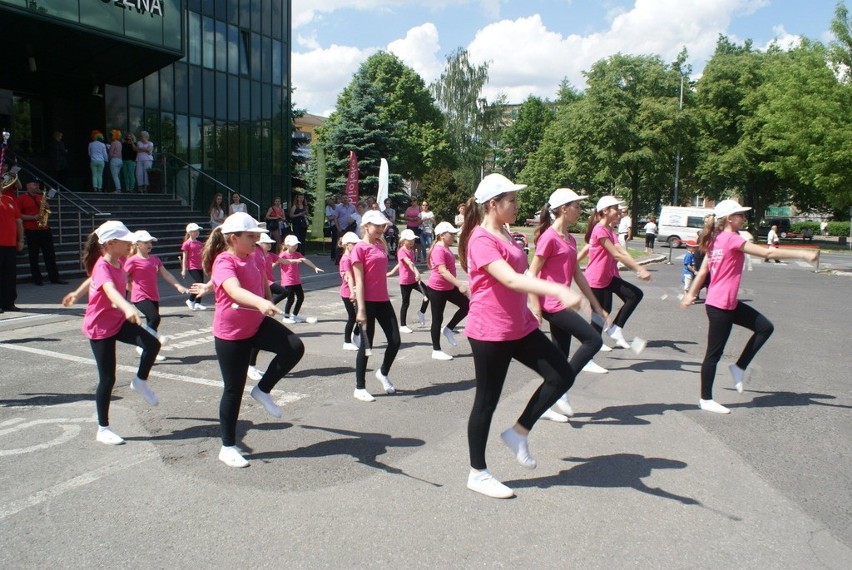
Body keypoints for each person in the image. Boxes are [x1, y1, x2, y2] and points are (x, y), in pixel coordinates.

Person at [457, 173, 584, 499]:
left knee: (561, 376)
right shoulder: (481, 239)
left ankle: (519, 432)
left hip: (520, 324)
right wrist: (555, 289)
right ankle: (478, 473)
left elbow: (523, 276)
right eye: (511, 200)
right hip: (491, 331)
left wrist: (533, 307)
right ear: (492, 204)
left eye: (515, 199)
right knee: (486, 401)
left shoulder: (506, 232)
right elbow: (510, 280)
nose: (517, 205)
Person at [681, 200, 818, 414]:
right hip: (720, 306)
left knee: (765, 328)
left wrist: (690, 295)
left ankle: (739, 367)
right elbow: (768, 254)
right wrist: (803, 254)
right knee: (713, 354)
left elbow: (703, 271)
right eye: (740, 215)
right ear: (729, 218)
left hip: (727, 303)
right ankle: (705, 399)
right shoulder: (731, 239)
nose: (743, 218)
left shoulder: (716, 240)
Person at [200, 212, 305, 467]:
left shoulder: (254, 254)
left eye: (258, 236)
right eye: (251, 236)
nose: (257, 240)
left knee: (294, 347)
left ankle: (263, 389)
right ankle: (227, 446)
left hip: (255, 323)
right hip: (231, 334)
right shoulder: (224, 261)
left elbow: (262, 281)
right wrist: (259, 302)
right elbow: (234, 289)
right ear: (233, 238)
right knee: (233, 390)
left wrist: (267, 299)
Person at [528, 189, 610, 422]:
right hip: (551, 304)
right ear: (564, 209)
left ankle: (547, 402)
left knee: (560, 356)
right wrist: (536, 308)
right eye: (576, 206)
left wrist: (597, 306)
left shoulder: (570, 239)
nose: (580, 210)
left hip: (562, 303)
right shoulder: (549, 238)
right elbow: (532, 273)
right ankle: (563, 385)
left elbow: (578, 275)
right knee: (593, 340)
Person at [81, 221, 162, 445]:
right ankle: (103, 428)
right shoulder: (102, 266)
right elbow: (109, 290)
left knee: (153, 344)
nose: (131, 243)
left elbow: (95, 282)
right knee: (108, 378)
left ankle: (140, 381)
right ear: (110, 243)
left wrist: (76, 292)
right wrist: (127, 307)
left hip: (117, 321)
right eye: (127, 241)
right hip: (100, 326)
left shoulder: (121, 260)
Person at [584, 196, 650, 349]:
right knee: (599, 313)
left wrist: (636, 267)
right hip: (596, 278)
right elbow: (616, 254)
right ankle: (594, 344)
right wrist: (639, 269)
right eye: (615, 208)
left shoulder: (608, 229)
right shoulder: (599, 229)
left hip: (607, 276)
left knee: (632, 296)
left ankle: (613, 330)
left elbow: (621, 251)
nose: (619, 212)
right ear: (605, 211)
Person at [351, 209, 401, 402]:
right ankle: (359, 387)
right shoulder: (359, 248)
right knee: (366, 345)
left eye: (383, 225)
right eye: (377, 225)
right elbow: (359, 281)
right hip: (367, 302)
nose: (381, 228)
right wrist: (361, 309)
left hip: (383, 300)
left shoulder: (381, 245)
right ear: (366, 226)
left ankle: (383, 372)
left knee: (395, 340)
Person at [125, 230, 190, 362]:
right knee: (155, 318)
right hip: (140, 297)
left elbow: (166, 274)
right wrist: (131, 289)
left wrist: (178, 286)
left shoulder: (155, 260)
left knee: (152, 323)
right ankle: (147, 346)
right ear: (137, 244)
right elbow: (123, 278)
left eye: (150, 242)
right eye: (146, 242)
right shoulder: (132, 261)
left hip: (153, 295)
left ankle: (147, 348)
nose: (149, 245)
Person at [423, 221, 469, 361]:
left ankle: (448, 329)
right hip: (437, 289)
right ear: (442, 235)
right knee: (437, 319)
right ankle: (436, 350)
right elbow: (443, 271)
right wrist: (459, 284)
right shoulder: (438, 249)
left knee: (467, 306)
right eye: (451, 234)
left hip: (448, 287)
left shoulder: (445, 247)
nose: (453, 236)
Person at [16, 176, 67, 285]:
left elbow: (47, 210)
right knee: (33, 255)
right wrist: (33, 217)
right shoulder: (21, 198)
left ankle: (54, 277)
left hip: (45, 228)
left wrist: (46, 205)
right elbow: (17, 215)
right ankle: (37, 279)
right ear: (28, 186)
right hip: (31, 230)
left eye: (37, 184)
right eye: (34, 184)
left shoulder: (40, 197)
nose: (37, 186)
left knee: (50, 254)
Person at [386, 228, 429, 333]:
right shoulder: (402, 251)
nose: (412, 241)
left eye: (413, 240)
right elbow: (408, 263)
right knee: (405, 303)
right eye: (409, 240)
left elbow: (401, 264)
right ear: (403, 240)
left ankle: (421, 312)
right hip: (405, 281)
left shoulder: (411, 250)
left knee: (428, 295)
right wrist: (417, 272)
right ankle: (403, 325)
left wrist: (391, 272)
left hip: (414, 280)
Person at [275, 234, 323, 323]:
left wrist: (315, 267)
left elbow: (305, 260)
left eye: (296, 245)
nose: (296, 247)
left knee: (301, 297)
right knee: (291, 299)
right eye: (294, 245)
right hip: (288, 281)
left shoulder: (297, 254)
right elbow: (275, 262)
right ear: (288, 245)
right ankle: (286, 317)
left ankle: (294, 315)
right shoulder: (283, 255)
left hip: (296, 280)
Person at [0, 184, 24, 312]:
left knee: (10, 275)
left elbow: (18, 221)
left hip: (10, 244)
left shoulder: (9, 199)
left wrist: (20, 239)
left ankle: (9, 303)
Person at [337, 232, 362, 351]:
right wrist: (353, 292)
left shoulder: (352, 257)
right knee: (352, 317)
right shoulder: (345, 259)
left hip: (355, 290)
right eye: (354, 244)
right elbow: (349, 277)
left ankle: (356, 335)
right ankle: (346, 341)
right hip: (347, 292)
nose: (356, 245)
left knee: (361, 315)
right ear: (347, 245)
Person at [180, 222, 207, 310]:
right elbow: (185, 258)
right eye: (195, 231)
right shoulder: (187, 244)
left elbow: (202, 256)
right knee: (198, 283)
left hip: (200, 266)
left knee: (201, 284)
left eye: (198, 231)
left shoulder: (199, 243)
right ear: (190, 232)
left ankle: (197, 303)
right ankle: (191, 300)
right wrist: (184, 269)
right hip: (192, 267)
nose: (198, 232)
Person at [334, 195, 357, 263]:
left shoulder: (352, 207)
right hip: (341, 228)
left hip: (350, 229)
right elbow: (335, 218)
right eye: (343, 198)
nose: (345, 199)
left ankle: (349, 258)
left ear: (348, 199)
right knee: (340, 244)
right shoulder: (338, 207)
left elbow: (355, 216)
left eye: (346, 198)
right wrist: (338, 228)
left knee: (350, 243)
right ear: (341, 199)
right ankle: (338, 259)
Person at [403, 196, 421, 261]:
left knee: (418, 242)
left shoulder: (419, 208)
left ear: (416, 201)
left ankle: (419, 256)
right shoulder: (409, 208)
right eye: (411, 201)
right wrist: (410, 219)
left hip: (417, 226)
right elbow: (405, 216)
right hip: (410, 226)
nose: (413, 202)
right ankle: (413, 255)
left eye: (414, 200)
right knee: (411, 241)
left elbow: (422, 215)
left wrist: (417, 218)